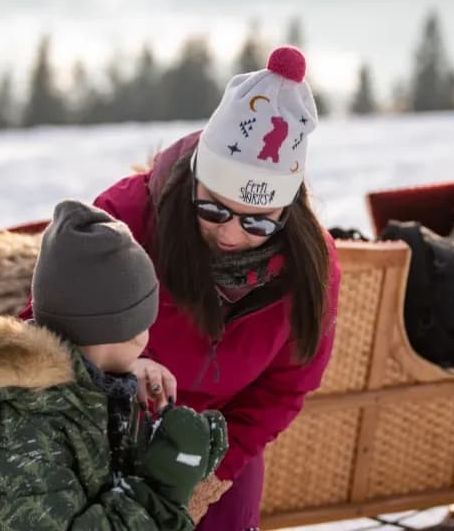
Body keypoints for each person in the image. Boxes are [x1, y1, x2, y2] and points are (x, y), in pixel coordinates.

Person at [84, 45, 342, 529]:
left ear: (286, 213)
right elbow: (46, 320)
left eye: (256, 222)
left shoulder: (311, 268)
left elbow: (284, 389)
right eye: (213, 209)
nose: (230, 234)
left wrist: (216, 474)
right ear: (195, 181)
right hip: (104, 421)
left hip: (216, 443)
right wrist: (119, 364)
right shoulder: (126, 217)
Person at [0, 200, 229, 530]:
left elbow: (114, 485)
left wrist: (189, 454)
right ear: (124, 331)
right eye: (146, 322)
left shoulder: (94, 396)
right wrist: (157, 491)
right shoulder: (22, 430)